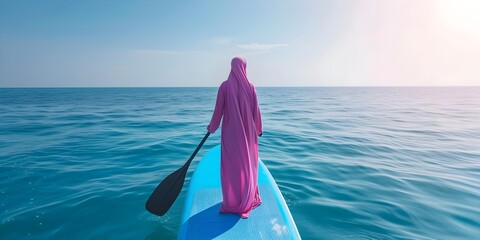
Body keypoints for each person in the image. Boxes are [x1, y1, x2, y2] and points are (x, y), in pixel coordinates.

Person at [207, 56, 263, 219]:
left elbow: (218, 111)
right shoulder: (251, 87)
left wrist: (212, 128)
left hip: (231, 136)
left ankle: (232, 202)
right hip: (248, 135)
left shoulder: (224, 86)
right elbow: (256, 112)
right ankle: (246, 198)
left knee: (231, 168)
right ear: (244, 67)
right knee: (247, 166)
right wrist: (259, 130)